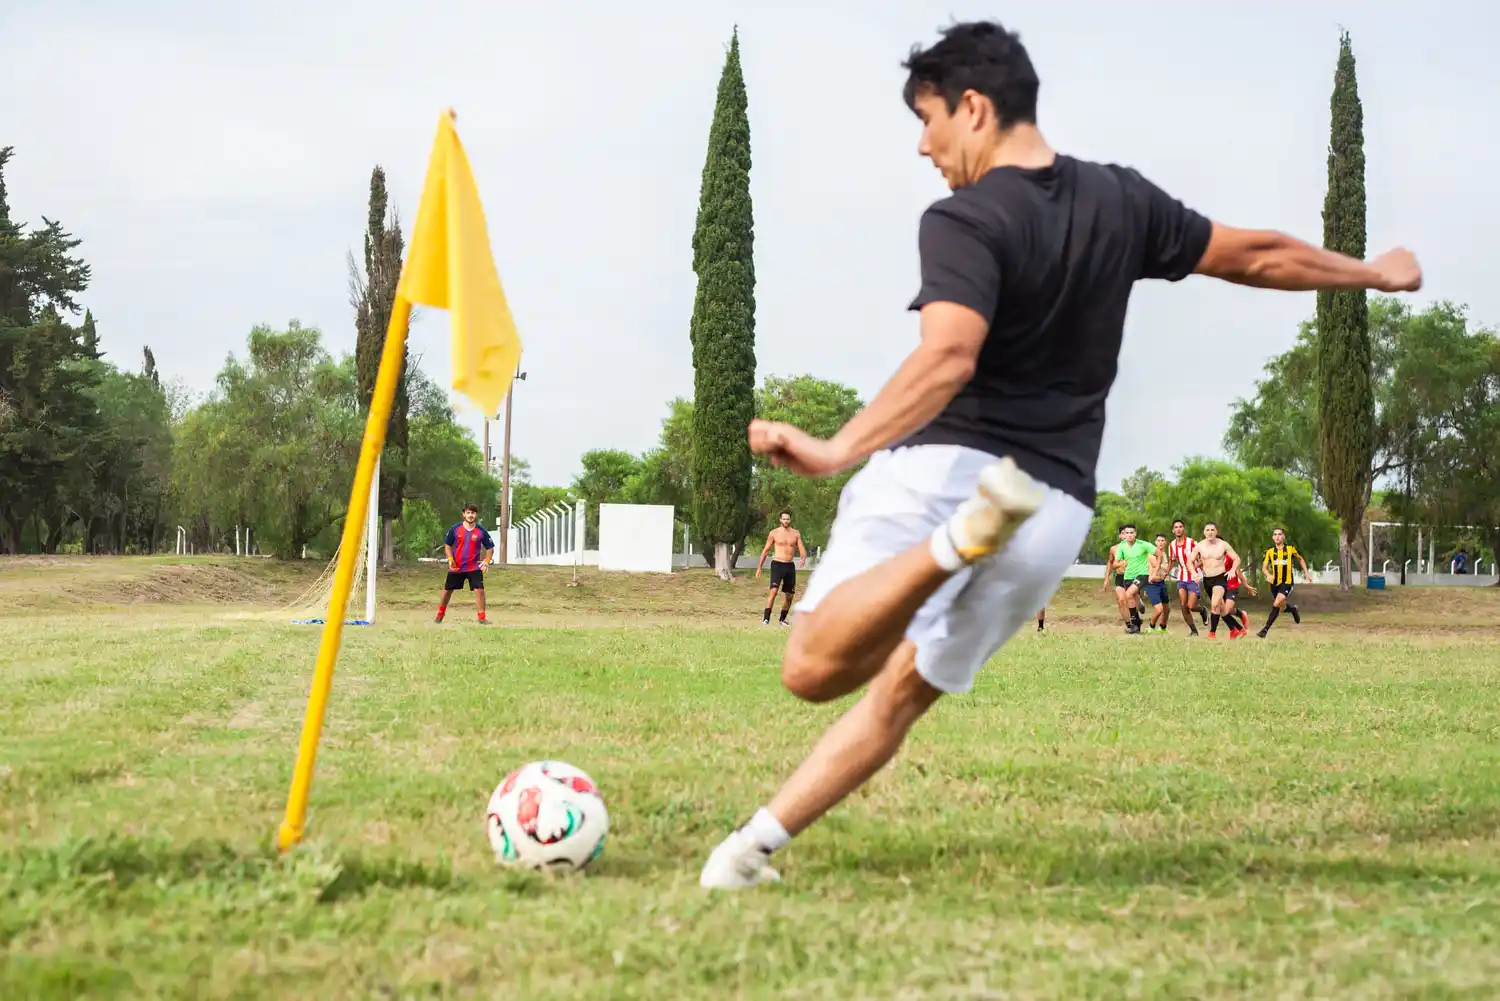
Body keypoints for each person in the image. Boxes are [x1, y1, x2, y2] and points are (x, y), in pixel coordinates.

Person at [697, 19, 1421, 890]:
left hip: (940, 471)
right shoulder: (1124, 201)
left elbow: (948, 355)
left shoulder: (964, 220)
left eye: (927, 120)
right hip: (1051, 509)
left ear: (974, 107)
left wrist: (835, 448)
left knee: (812, 667)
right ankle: (748, 854)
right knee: (901, 692)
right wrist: (1370, 271)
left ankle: (951, 544)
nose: (924, 146)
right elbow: (1257, 256)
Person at [435, 503, 494, 625]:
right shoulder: (455, 529)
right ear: (464, 514)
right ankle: (439, 615)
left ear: (476, 515)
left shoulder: (481, 531)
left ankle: (482, 618)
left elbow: (490, 548)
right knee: (447, 591)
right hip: (457, 567)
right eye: (468, 512)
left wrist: (486, 562)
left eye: (473, 513)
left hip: (474, 567)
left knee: (480, 591)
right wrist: (451, 559)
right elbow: (447, 545)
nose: (470, 515)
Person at [756, 509, 808, 626]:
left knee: (789, 596)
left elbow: (801, 548)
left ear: (790, 520)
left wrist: (803, 557)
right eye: (784, 519)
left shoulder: (795, 533)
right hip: (777, 564)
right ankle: (766, 619)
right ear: (780, 520)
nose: (786, 521)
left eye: (788, 519)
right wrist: (759, 567)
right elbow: (765, 550)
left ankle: (782, 620)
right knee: (773, 592)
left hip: (789, 566)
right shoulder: (774, 533)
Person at [1258, 527, 1310, 637]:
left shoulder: (1290, 549)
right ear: (1273, 537)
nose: (1277, 536)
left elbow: (1300, 559)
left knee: (1276, 604)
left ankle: (1265, 630)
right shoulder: (1270, 551)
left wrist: (1306, 573)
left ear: (1283, 537)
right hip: (1274, 583)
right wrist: (1268, 575)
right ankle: (1293, 609)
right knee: (1281, 607)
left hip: (1287, 582)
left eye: (1279, 534)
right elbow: (1264, 568)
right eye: (1275, 534)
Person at [1192, 524, 1241, 638]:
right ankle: (1236, 629)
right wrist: (1194, 573)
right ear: (1204, 532)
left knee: (1214, 604)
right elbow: (1190, 561)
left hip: (1220, 578)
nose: (1210, 532)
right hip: (1207, 579)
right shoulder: (1200, 546)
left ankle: (1212, 633)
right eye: (1207, 530)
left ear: (1216, 531)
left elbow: (1237, 558)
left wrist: (1233, 570)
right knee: (1220, 608)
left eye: (1212, 530)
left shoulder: (1223, 544)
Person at [1168, 519, 1208, 635]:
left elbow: (1203, 558)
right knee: (1183, 605)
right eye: (1176, 527)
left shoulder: (1192, 543)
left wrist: (1194, 566)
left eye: (1180, 526)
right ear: (1173, 530)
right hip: (1181, 577)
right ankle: (1194, 631)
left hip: (1194, 577)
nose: (1178, 529)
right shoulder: (1172, 545)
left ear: (1183, 529)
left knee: (1191, 605)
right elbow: (1172, 561)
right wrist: (1164, 572)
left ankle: (1202, 609)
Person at [1113, 524, 1154, 634]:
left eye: (1131, 533)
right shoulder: (1117, 548)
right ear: (1122, 535)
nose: (1128, 535)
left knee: (1128, 595)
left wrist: (1154, 571)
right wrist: (1121, 563)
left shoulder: (1142, 545)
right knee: (1126, 599)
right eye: (1126, 533)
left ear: (1135, 534)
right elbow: (1113, 564)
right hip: (1124, 576)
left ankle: (1135, 623)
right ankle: (1134, 623)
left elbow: (1155, 555)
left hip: (1140, 575)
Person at [1221, 552, 1255, 638]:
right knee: (1223, 610)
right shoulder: (1213, 557)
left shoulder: (1231, 557)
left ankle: (1237, 629)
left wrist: (1246, 585)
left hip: (1231, 586)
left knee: (1226, 610)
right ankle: (1241, 615)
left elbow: (1238, 572)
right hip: (1220, 587)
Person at [1144, 533, 1171, 632]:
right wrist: (1167, 568)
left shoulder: (1164, 554)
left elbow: (1165, 570)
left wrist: (1165, 572)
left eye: (1162, 540)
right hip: (1152, 584)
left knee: (1167, 609)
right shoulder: (1151, 554)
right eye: (1158, 541)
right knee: (1159, 609)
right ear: (1155, 542)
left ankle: (1163, 628)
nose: (1160, 543)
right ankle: (1151, 627)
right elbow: (1158, 565)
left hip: (1161, 583)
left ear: (1165, 542)